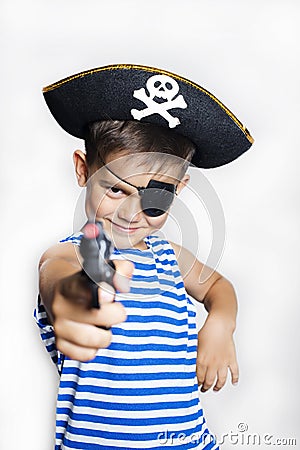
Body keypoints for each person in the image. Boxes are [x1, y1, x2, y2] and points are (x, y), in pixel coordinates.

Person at [35, 64, 254, 449]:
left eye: (155, 197)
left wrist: (221, 323)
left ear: (179, 189)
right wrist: (68, 298)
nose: (131, 213)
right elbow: (55, 269)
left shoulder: (171, 257)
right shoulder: (78, 252)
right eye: (116, 190)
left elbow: (219, 286)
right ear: (84, 170)